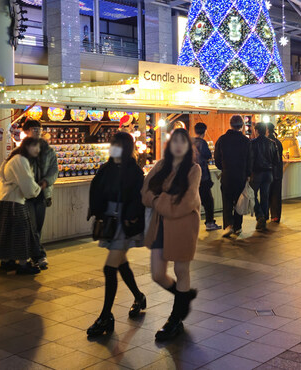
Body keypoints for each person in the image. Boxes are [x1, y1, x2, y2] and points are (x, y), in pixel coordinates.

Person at [141, 128, 201, 342]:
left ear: (188, 146)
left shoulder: (193, 169)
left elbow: (186, 201)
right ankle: (183, 297)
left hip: (184, 225)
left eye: (183, 142)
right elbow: (145, 192)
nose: (178, 145)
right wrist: (164, 199)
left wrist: (158, 199)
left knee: (181, 270)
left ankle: (175, 319)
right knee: (158, 274)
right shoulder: (160, 166)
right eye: (175, 141)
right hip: (160, 225)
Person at [85, 132, 147, 337]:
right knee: (121, 264)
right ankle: (139, 296)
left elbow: (139, 197)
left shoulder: (134, 172)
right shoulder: (107, 168)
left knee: (109, 268)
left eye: (118, 145)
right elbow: (97, 191)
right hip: (109, 222)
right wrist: (96, 212)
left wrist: (131, 216)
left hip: (125, 224)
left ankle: (105, 316)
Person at [0, 137, 44, 275]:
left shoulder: (13, 158)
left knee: (6, 232)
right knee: (21, 233)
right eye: (35, 146)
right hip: (14, 202)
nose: (37, 150)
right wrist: (38, 189)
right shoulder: (20, 160)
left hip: (5, 199)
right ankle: (23, 264)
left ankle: (7, 262)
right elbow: (27, 184)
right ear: (27, 147)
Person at [21, 120, 58, 270]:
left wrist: (46, 182)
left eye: (39, 129)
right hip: (26, 194)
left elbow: (54, 170)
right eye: (34, 129)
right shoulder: (21, 150)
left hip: (42, 194)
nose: (37, 131)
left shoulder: (48, 151)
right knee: (31, 226)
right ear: (26, 131)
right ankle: (38, 255)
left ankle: (34, 256)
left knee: (38, 227)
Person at [215, 115, 252, 238]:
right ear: (242, 126)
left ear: (230, 124)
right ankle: (237, 227)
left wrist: (223, 167)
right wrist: (248, 174)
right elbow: (250, 160)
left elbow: (217, 159)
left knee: (227, 201)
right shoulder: (246, 141)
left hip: (227, 175)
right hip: (241, 176)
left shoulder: (222, 140)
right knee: (239, 201)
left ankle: (228, 225)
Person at [250, 122, 279, 230]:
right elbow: (276, 160)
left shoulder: (252, 143)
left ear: (256, 130)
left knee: (251, 195)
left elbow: (250, 160)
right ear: (266, 130)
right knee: (265, 196)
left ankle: (260, 215)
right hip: (268, 173)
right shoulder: (272, 143)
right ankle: (264, 219)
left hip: (256, 173)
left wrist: (248, 173)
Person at [192, 123, 219, 231]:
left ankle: (192, 223)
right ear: (204, 131)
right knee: (208, 201)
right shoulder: (202, 143)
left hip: (192, 176)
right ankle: (210, 222)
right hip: (202, 176)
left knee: (194, 201)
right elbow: (208, 155)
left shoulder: (190, 142)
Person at [267, 123, 284, 222]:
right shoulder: (278, 142)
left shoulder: (267, 142)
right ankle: (275, 216)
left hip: (269, 171)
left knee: (267, 194)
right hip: (278, 172)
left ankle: (267, 216)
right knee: (276, 194)